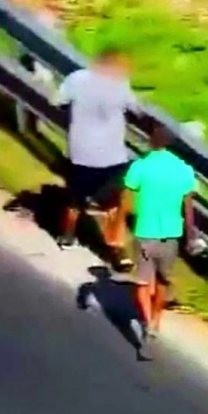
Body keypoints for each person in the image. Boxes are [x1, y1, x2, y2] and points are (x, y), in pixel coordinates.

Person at [51, 48, 137, 265]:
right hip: (113, 156)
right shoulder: (120, 83)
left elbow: (57, 101)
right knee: (114, 204)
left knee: (75, 198)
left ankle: (68, 234)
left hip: (81, 153)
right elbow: (136, 109)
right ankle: (116, 251)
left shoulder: (77, 79)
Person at [123, 118, 198, 360]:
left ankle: (146, 322)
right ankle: (156, 318)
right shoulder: (184, 169)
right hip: (171, 235)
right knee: (164, 281)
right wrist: (191, 235)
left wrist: (119, 225)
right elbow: (188, 207)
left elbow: (126, 198)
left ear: (150, 141)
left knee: (143, 284)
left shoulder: (140, 166)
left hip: (145, 232)